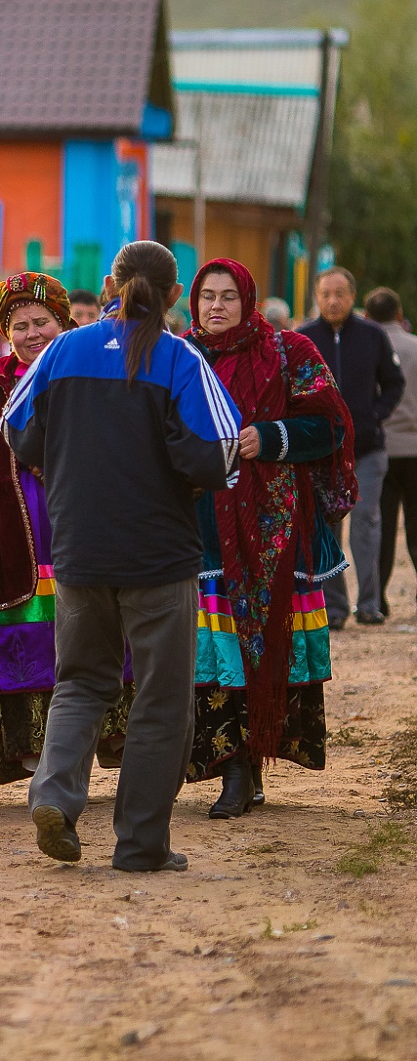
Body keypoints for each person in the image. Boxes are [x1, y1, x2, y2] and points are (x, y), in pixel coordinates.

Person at [8, 241, 240, 874]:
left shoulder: (62, 350)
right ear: (173, 296)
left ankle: (54, 796)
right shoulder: (180, 359)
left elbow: (17, 426)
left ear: (111, 285)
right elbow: (215, 454)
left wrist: (61, 463)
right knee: (162, 700)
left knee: (80, 682)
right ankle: (141, 846)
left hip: (78, 549)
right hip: (158, 559)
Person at [177, 259, 355, 819]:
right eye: (207, 296)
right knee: (217, 651)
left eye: (229, 297)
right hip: (202, 530)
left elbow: (330, 424)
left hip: (277, 531)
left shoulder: (289, 352)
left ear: (248, 299)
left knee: (269, 643)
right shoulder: (179, 357)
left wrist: (271, 436)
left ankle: (257, 756)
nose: (216, 307)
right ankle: (232, 767)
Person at [0, 273, 70, 786]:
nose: (32, 333)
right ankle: (25, 748)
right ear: (5, 331)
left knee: (73, 632)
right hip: (3, 528)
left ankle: (79, 747)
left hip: (69, 523)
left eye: (41, 322)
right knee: (21, 636)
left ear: (61, 323)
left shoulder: (81, 372)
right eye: (19, 325)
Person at [298, 267, 405, 627]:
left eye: (339, 293)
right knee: (327, 528)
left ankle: (370, 603)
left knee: (365, 522)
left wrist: (375, 415)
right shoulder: (303, 338)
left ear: (353, 296)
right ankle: (335, 607)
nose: (332, 300)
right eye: (325, 293)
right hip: (322, 453)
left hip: (368, 450)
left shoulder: (372, 336)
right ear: (316, 296)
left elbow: (394, 382)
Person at [367, 288, 417, 602]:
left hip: (381, 447)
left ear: (367, 317)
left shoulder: (370, 347)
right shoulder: (415, 346)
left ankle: (378, 598)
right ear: (400, 315)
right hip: (415, 449)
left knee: (381, 527)